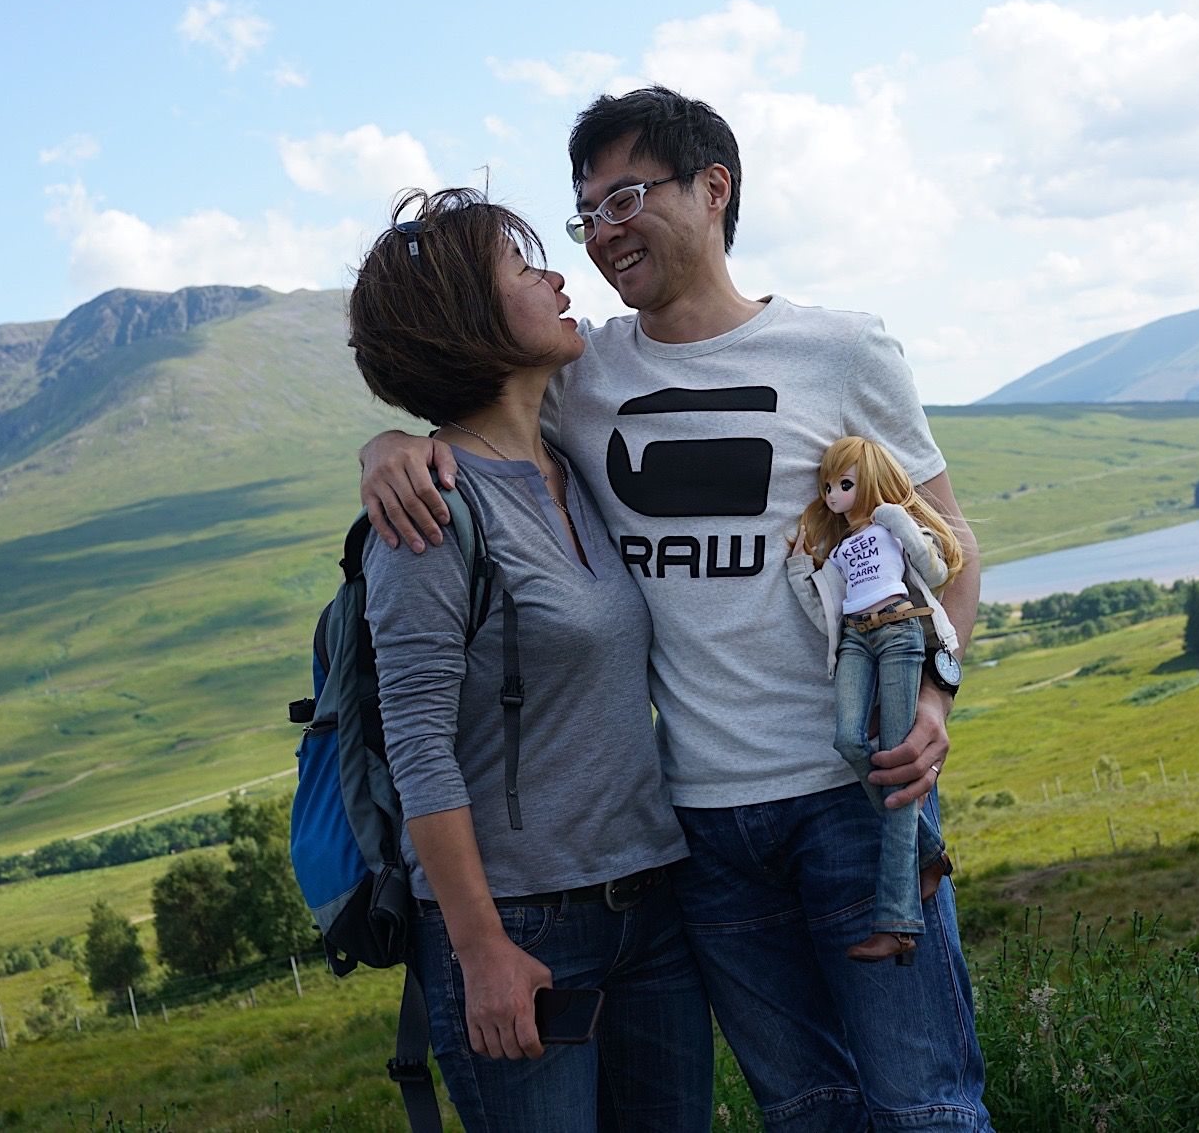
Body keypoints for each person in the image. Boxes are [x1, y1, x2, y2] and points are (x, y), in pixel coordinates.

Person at [361, 88, 993, 1131]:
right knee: (807, 1109)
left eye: (625, 198)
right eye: (586, 215)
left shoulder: (843, 350)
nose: (602, 234)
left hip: (854, 795)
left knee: (924, 1107)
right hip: (700, 835)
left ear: (713, 188)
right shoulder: (585, 374)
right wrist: (388, 447)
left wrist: (933, 695)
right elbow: (471, 408)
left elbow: (950, 545)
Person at [346, 186, 710, 1131]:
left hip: (650, 905)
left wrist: (383, 440)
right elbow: (418, 745)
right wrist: (480, 951)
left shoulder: (571, 457)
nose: (559, 277)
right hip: (518, 925)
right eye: (523, 266)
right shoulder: (428, 515)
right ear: (468, 319)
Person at [790, 435, 965, 965]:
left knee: (893, 754)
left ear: (867, 481)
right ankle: (929, 851)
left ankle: (897, 923)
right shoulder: (841, 549)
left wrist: (900, 522)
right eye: (828, 487)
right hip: (855, 638)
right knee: (849, 739)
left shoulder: (891, 525)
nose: (833, 496)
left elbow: (935, 572)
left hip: (899, 632)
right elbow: (825, 611)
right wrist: (799, 570)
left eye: (844, 484)